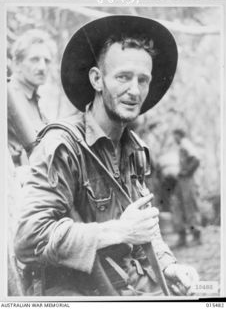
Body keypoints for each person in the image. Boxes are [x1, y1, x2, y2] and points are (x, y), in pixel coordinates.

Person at [14, 15, 199, 297]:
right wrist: (118, 231)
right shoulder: (62, 145)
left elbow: (144, 227)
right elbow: (28, 240)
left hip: (123, 284)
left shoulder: (134, 148)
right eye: (123, 77)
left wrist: (169, 266)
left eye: (143, 79)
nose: (134, 90)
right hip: (70, 291)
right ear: (97, 79)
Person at [8, 29, 56, 166]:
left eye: (47, 61)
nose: (42, 67)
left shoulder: (35, 99)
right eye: (35, 59)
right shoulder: (9, 97)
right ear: (17, 64)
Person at [171, 128, 202, 247]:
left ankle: (196, 236)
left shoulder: (185, 143)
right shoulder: (180, 146)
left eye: (175, 136)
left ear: (179, 135)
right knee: (178, 206)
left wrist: (187, 172)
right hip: (181, 180)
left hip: (187, 180)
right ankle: (182, 237)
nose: (174, 139)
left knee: (190, 207)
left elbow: (196, 159)